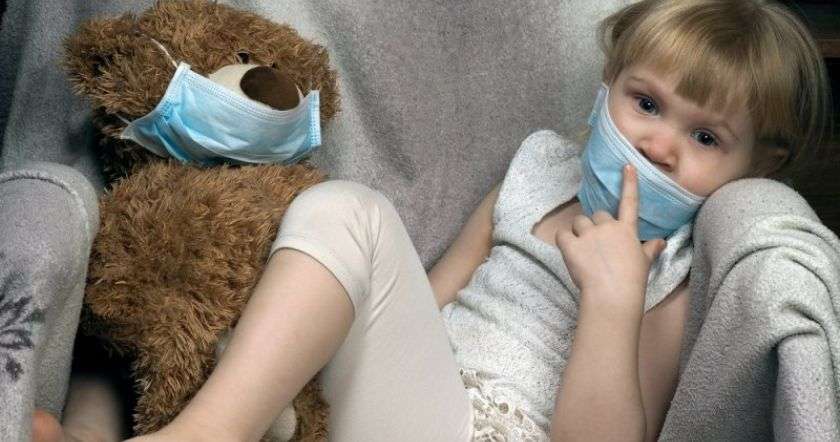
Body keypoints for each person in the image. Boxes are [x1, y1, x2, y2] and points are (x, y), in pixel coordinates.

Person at [34, 0, 831, 440]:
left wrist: (613, 302)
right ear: (606, 88)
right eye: (646, 103)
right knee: (342, 214)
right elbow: (427, 295)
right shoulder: (536, 168)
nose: (658, 145)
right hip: (406, 403)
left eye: (705, 138)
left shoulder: (677, 274)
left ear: (753, 169)